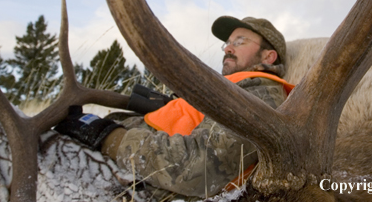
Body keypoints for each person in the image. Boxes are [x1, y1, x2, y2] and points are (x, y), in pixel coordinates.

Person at [54, 16, 293, 200]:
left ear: (269, 57)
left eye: (239, 42)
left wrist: (106, 136)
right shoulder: (228, 90)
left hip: (131, 185)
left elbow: (199, 168)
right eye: (227, 43)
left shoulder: (260, 97)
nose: (228, 48)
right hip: (116, 165)